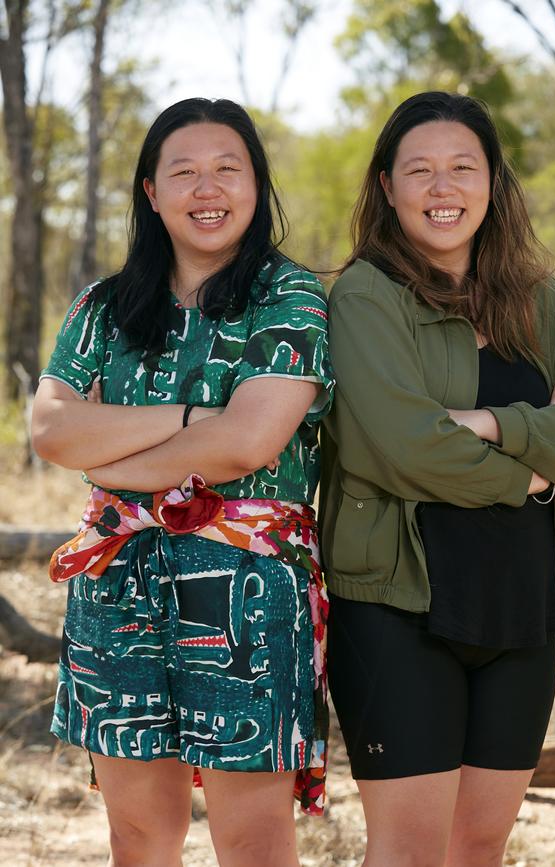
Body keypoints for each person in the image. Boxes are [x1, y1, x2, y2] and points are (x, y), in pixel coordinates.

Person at [319, 91, 555, 867]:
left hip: (521, 599)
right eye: (419, 170)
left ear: (493, 180)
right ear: (387, 186)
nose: (442, 188)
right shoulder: (365, 297)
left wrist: (486, 422)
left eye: (463, 167)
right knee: (412, 852)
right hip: (398, 604)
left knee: (479, 846)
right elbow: (399, 446)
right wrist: (531, 476)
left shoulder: (541, 300)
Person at [32, 97, 333, 867]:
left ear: (258, 187)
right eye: (185, 171)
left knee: (253, 837)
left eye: (228, 169)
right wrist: (197, 412)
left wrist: (111, 459)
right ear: (151, 192)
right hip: (116, 587)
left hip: (248, 595)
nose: (208, 189)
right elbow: (51, 430)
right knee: (139, 833)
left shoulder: (289, 298)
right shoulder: (103, 308)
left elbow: (246, 443)